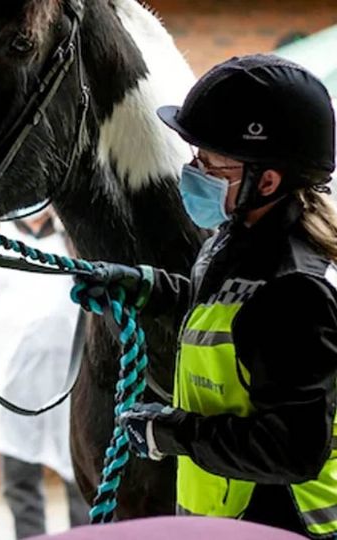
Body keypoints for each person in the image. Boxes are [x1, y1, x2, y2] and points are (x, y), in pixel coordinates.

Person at [75, 55, 337, 536]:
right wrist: (146, 287)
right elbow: (223, 312)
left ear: (268, 180)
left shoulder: (295, 290)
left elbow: (291, 450)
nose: (192, 171)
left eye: (209, 162)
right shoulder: (233, 239)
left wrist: (171, 432)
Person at [0, 210, 89, 539]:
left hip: (68, 381)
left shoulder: (72, 236)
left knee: (80, 477)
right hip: (13, 382)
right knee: (19, 478)